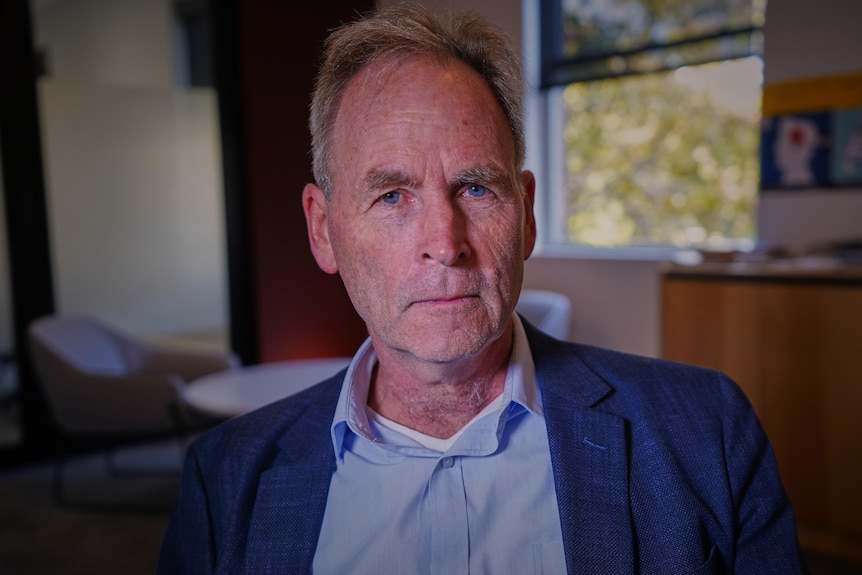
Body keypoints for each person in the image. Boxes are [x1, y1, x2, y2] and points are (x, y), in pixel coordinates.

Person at [158, 4, 806, 574]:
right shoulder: (224, 480)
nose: (446, 241)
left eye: (475, 187)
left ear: (524, 215)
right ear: (323, 230)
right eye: (391, 195)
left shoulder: (707, 433)